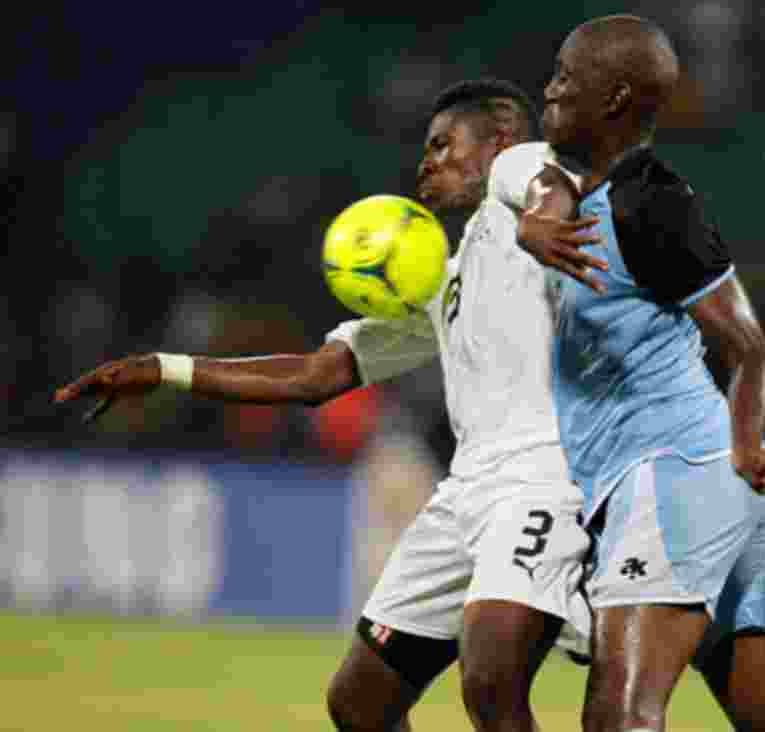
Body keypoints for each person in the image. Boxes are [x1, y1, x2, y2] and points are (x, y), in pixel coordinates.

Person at [54, 79, 593, 732]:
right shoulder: (444, 282)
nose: (426, 161)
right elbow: (316, 375)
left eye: (443, 143)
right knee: (359, 701)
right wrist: (164, 368)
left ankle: (587, 598)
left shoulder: (525, 191)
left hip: (542, 477)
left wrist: (543, 214)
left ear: (501, 134)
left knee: (489, 682)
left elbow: (549, 172)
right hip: (465, 495)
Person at [512, 15, 765, 732]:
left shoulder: (650, 203)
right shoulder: (580, 190)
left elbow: (745, 342)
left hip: (676, 472)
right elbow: (540, 177)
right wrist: (536, 214)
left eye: (566, 75)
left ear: (617, 98)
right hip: (709, 481)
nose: (549, 87)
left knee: (619, 716)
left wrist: (746, 443)